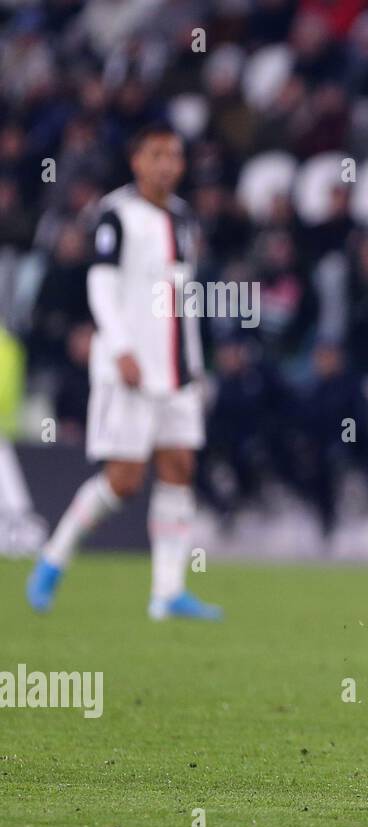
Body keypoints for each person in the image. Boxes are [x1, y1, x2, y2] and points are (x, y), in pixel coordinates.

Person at [27, 122, 221, 621]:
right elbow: (101, 286)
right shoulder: (115, 213)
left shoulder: (182, 218)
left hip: (176, 369)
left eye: (175, 156)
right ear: (137, 161)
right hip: (131, 367)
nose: (168, 164)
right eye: (157, 154)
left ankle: (168, 592)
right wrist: (121, 348)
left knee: (179, 467)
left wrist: (196, 367)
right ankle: (53, 557)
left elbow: (186, 299)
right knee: (124, 481)